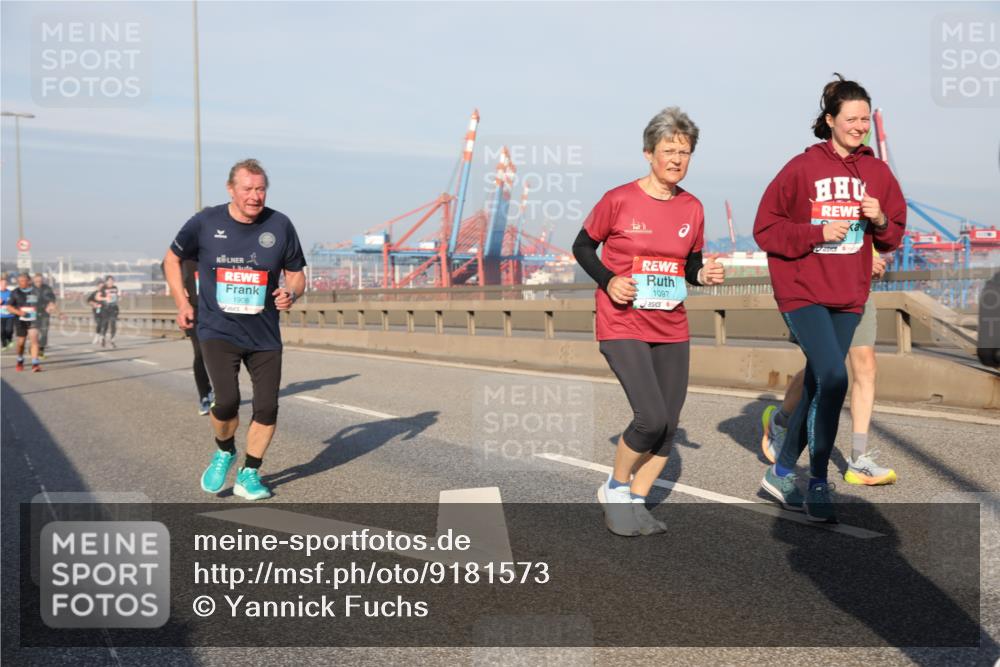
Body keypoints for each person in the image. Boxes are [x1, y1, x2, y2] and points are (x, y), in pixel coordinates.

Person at [753, 74, 906, 523]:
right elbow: (766, 229)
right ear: (830, 120)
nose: (859, 126)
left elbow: (894, 235)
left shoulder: (877, 173)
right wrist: (817, 232)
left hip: (848, 294)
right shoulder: (802, 168)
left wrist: (881, 219)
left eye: (865, 119)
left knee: (821, 384)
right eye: (851, 118)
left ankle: (781, 473)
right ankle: (818, 481)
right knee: (834, 378)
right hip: (802, 290)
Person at [573, 107, 725, 536]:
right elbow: (582, 247)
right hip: (623, 321)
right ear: (648, 153)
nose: (676, 159)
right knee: (650, 419)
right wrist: (609, 280)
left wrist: (703, 275)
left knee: (669, 426)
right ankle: (615, 489)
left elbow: (689, 264)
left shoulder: (692, 207)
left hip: (671, 325)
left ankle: (636, 502)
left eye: (684, 152)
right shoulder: (619, 200)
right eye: (668, 151)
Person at [163, 159, 306, 501]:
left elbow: (297, 274)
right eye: (247, 189)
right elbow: (171, 259)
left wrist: (291, 293)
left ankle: (249, 473)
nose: (255, 196)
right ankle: (225, 450)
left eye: (261, 189)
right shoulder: (205, 222)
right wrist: (183, 302)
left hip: (264, 333)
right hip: (218, 329)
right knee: (227, 402)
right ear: (231, 189)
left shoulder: (280, 224)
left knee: (267, 407)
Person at [761, 253, 897, 486]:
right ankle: (781, 421)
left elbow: (877, 245)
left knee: (866, 366)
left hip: (858, 294)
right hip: (819, 294)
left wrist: (876, 262)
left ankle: (858, 459)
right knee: (821, 369)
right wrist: (861, 262)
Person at [183, 258, 215, 415]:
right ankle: (205, 396)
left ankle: (222, 393)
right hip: (195, 310)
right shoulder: (186, 253)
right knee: (200, 353)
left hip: (218, 310)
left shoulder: (219, 251)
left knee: (220, 352)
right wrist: (179, 289)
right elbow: (167, 264)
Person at [6, 273, 42, 372]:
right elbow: (9, 307)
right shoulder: (15, 292)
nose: (21, 283)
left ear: (29, 281)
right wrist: (18, 312)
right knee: (21, 343)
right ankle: (20, 359)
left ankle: (35, 364)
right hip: (20, 320)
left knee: (34, 340)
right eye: (19, 281)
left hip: (33, 319)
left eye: (23, 281)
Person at [32, 273, 58, 358]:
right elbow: (28, 301)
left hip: (44, 313)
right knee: (34, 333)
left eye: (40, 280)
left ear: (42, 280)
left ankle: (41, 350)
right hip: (33, 314)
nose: (38, 282)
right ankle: (33, 347)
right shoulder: (30, 289)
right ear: (34, 280)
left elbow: (52, 298)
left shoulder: (47, 288)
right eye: (37, 281)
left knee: (44, 332)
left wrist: (51, 304)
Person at [96, 275, 121, 348]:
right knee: (105, 324)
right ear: (106, 281)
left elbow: (117, 296)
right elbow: (97, 297)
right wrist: (105, 298)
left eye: (112, 280)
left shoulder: (115, 288)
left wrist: (119, 297)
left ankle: (112, 340)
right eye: (109, 281)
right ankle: (103, 337)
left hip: (113, 308)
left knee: (113, 323)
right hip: (105, 308)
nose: (111, 282)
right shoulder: (103, 288)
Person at [86, 278, 104, 345]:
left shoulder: (105, 293)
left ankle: (101, 337)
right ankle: (97, 336)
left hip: (105, 310)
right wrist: (94, 304)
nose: (101, 288)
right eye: (100, 286)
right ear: (97, 286)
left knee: (104, 324)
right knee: (99, 323)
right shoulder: (94, 293)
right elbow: (89, 300)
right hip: (97, 310)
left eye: (102, 286)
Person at [0, 277, 14, 349]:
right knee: (2, 331)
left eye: (5, 284)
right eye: (2, 284)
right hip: (1, 316)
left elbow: (15, 302)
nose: (4, 285)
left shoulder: (10, 293)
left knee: (9, 330)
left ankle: (9, 339)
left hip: (10, 315)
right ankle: (4, 345)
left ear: (7, 284)